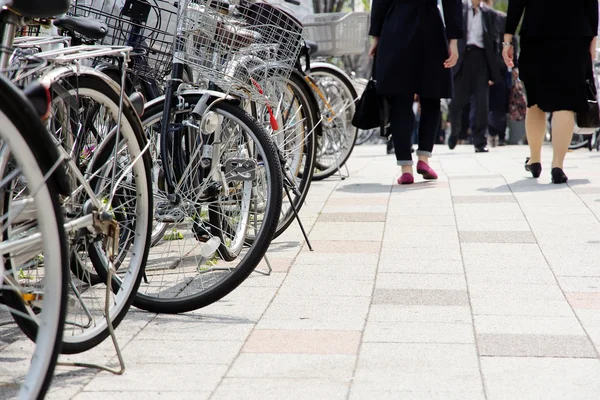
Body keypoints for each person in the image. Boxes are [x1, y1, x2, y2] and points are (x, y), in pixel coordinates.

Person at [503, 0, 598, 183]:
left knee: (535, 101)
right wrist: (593, 36)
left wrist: (507, 39)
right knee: (566, 102)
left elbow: (516, 2)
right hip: (574, 33)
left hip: (536, 33)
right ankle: (557, 165)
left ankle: (535, 159)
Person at [369, 0, 463, 184]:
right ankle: (424, 159)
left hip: (396, 26)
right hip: (430, 28)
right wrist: (453, 41)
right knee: (431, 95)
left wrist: (376, 37)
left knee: (400, 99)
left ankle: (406, 168)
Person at [448, 0, 501, 153]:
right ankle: (454, 132)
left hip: (481, 60)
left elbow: (494, 42)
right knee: (456, 103)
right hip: (462, 59)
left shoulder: (489, 14)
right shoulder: (460, 8)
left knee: (481, 104)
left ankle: (479, 141)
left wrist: (493, 71)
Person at [484, 0, 517, 147]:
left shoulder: (500, 18)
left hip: (501, 68)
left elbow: (512, 41)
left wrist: (514, 66)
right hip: (483, 69)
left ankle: (500, 135)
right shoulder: (475, 18)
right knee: (484, 104)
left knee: (501, 105)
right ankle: (490, 133)